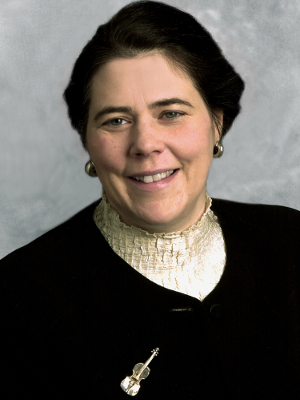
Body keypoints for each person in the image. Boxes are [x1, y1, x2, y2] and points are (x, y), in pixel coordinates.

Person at [1, 1, 299, 398]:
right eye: (116, 121)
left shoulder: (293, 242)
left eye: (171, 113)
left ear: (216, 123)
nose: (145, 144)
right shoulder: (19, 297)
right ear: (87, 141)